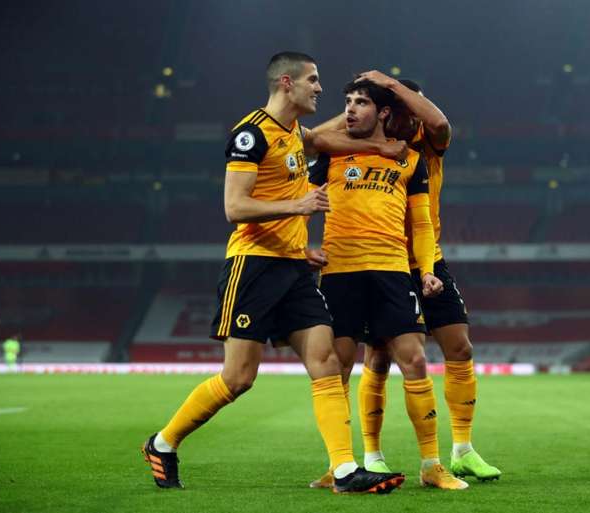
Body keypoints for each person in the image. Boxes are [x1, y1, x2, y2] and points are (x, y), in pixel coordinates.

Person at [141, 52, 404, 495]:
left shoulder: (292, 134)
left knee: (327, 362)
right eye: (314, 80)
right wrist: (298, 207)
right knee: (238, 379)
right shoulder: (251, 134)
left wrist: (378, 141)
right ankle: (163, 443)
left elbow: (326, 139)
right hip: (254, 266)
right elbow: (234, 207)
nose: (321, 88)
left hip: (295, 268)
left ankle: (344, 471)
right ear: (288, 82)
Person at [307, 79, 468, 490]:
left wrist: (428, 267)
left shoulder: (409, 159)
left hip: (393, 270)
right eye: (347, 102)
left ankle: (431, 464)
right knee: (338, 367)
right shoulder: (331, 154)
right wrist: (300, 247)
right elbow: (301, 198)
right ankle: (340, 464)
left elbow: (420, 222)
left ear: (382, 112)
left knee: (413, 360)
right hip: (340, 272)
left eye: (361, 102)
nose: (350, 109)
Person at [354, 70, 502, 482]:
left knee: (461, 348)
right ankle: (372, 454)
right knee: (379, 357)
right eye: (404, 109)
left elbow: (439, 123)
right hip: (383, 262)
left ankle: (463, 449)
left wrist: (396, 84)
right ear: (388, 112)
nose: (414, 117)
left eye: (415, 107)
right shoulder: (365, 146)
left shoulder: (429, 146)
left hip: (429, 260)